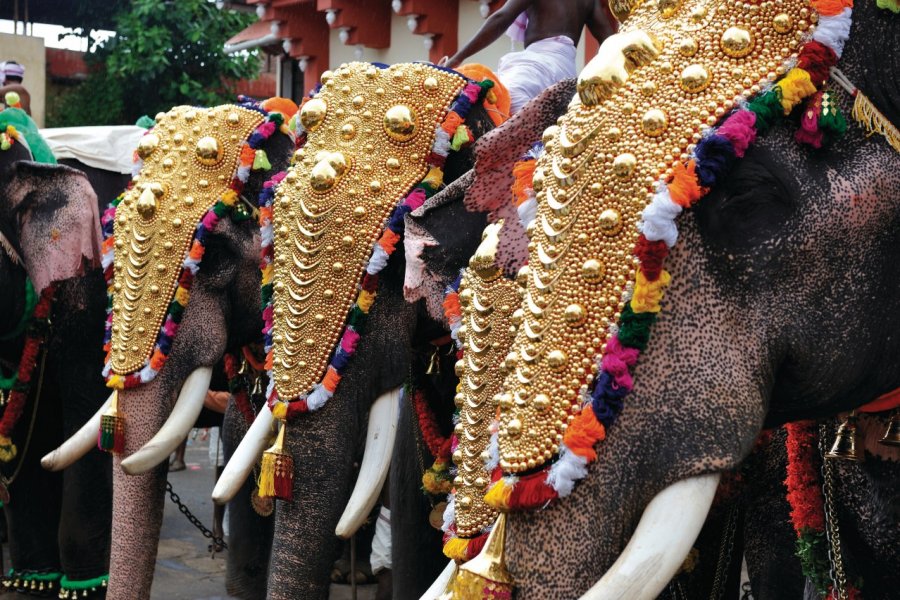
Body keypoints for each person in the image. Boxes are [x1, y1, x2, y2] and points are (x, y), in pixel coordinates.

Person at [440, 0, 615, 115]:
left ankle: (528, 159)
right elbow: (610, 41)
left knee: (502, 100)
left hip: (537, 67)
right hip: (566, 72)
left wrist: (456, 59)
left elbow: (501, 18)